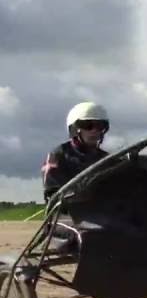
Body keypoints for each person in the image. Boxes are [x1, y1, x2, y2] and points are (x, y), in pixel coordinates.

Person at [40, 102, 111, 254]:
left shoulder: (107, 159)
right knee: (93, 234)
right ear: (75, 128)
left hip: (97, 217)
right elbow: (53, 195)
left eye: (100, 126)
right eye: (88, 125)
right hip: (62, 219)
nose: (95, 131)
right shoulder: (58, 155)